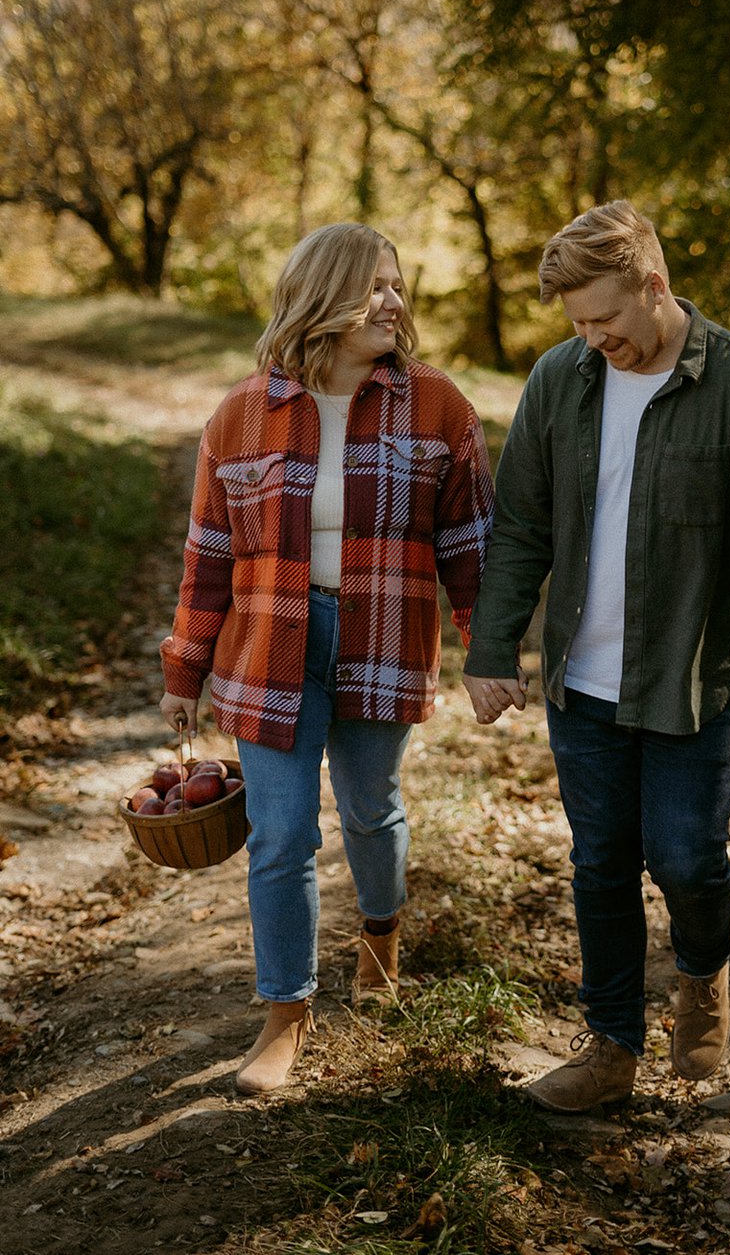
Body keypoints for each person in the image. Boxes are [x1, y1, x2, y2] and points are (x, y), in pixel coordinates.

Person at [463, 199, 730, 1113]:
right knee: (601, 863)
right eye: (577, 324)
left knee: (689, 858)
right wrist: (492, 644)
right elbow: (522, 527)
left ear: (653, 287)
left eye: (606, 319)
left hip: (696, 680)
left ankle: (701, 976)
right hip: (580, 680)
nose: (592, 339)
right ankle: (611, 1043)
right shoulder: (559, 379)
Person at [159, 221, 494, 1095]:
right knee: (280, 835)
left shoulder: (438, 405)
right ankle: (285, 1013)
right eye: (375, 286)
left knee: (371, 809)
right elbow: (207, 557)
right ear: (325, 298)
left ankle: (379, 938)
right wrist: (184, 672)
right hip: (269, 644)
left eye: (396, 284)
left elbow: (470, 541)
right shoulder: (241, 414)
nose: (394, 301)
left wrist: (487, 645)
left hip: (383, 633)